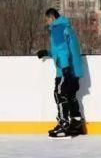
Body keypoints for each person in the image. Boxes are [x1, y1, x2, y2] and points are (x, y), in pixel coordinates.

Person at [36, 8, 85, 137]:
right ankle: (77, 124)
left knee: (59, 93)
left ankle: (64, 124)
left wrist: (65, 69)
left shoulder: (57, 28)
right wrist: (48, 53)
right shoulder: (67, 28)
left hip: (65, 69)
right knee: (70, 96)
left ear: (51, 17)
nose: (47, 23)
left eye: (47, 20)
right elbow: (63, 50)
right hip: (75, 69)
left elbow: (63, 51)